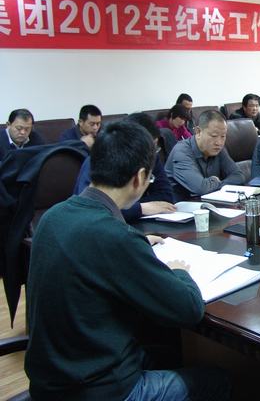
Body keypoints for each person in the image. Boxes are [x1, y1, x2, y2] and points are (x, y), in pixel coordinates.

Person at [25, 121, 230, 400]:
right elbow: (189, 308)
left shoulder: (53, 216)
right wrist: (179, 272)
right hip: (99, 390)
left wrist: (134, 246)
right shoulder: (116, 237)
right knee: (219, 380)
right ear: (140, 177)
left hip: (50, 382)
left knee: (164, 351)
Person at [74, 112, 176, 222]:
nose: (152, 152)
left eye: (155, 146)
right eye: (149, 147)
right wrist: (140, 208)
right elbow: (91, 207)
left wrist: (129, 205)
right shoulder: (101, 159)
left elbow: (166, 196)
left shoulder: (151, 156)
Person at [165, 110, 244, 200]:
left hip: (209, 202)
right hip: (181, 205)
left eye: (223, 136)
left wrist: (213, 184)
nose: (219, 142)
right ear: (198, 132)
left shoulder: (217, 148)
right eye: (214, 136)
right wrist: (215, 181)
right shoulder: (181, 152)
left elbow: (239, 176)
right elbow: (201, 189)